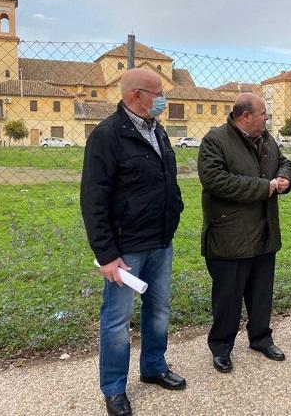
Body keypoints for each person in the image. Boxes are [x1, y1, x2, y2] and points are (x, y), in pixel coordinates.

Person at [81, 68, 185, 416]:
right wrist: (107, 255)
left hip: (160, 241)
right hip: (125, 250)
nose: (163, 99)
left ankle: (154, 367)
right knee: (117, 319)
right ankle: (114, 389)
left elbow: (167, 179)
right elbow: (93, 199)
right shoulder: (107, 136)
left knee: (159, 311)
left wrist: (175, 213)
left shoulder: (159, 132)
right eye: (157, 93)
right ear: (135, 95)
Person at [197, 92, 291, 373]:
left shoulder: (266, 138)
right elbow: (216, 180)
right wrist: (266, 187)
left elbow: (284, 162)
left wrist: (285, 178)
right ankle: (221, 347)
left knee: (261, 292)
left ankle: (261, 338)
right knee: (228, 296)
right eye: (263, 113)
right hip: (230, 234)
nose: (267, 117)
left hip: (264, 231)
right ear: (245, 116)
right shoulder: (216, 140)